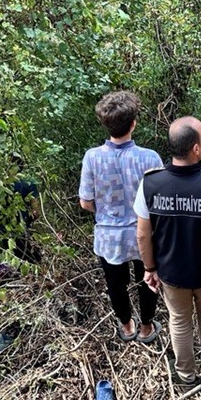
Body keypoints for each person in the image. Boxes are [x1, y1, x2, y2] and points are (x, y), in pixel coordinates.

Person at [135, 117, 201, 384]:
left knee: (179, 320)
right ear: (195, 148)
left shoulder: (150, 184)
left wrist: (149, 268)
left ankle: (185, 373)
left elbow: (142, 234)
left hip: (172, 272)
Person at [79, 91, 163, 342]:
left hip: (109, 235)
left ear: (105, 124)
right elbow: (158, 202)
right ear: (133, 123)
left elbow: (85, 202)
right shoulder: (149, 158)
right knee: (149, 279)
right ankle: (147, 328)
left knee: (115, 284)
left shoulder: (92, 157)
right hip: (143, 233)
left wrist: (105, 211)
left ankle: (127, 327)